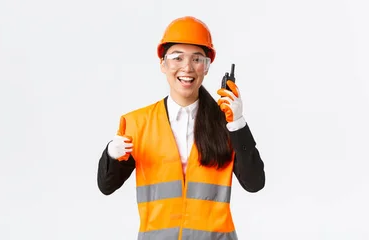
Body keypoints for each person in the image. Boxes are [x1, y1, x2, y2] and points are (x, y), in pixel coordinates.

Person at [96, 16, 266, 240]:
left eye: (197, 59)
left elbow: (254, 183)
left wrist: (237, 124)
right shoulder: (137, 124)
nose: (187, 67)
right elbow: (106, 186)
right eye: (177, 58)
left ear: (206, 68)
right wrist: (111, 153)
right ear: (163, 64)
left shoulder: (225, 123)